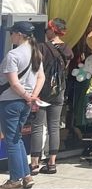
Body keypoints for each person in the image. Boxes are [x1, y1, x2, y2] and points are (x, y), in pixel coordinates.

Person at [0, 20, 43, 189]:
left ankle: (15, 179)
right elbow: (41, 78)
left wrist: (26, 96)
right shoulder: (36, 53)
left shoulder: (13, 55)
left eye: (12, 33)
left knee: (11, 140)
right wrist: (32, 96)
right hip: (26, 102)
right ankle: (26, 175)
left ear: (19, 34)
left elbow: (13, 83)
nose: (11, 36)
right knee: (16, 138)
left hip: (10, 101)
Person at [29, 18, 72, 176]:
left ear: (53, 30)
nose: (46, 31)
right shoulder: (67, 49)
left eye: (48, 28)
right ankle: (52, 163)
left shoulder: (41, 47)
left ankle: (34, 164)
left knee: (37, 127)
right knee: (54, 127)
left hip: (42, 91)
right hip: (58, 91)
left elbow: (35, 68)